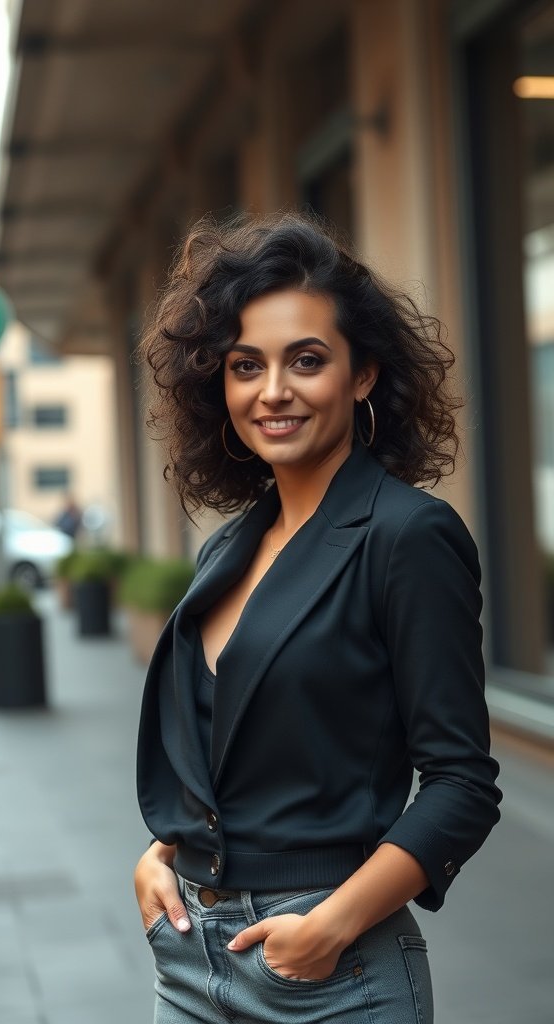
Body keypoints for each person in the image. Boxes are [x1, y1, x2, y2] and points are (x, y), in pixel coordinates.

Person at [134, 212, 501, 1024]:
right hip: (190, 959)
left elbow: (462, 783)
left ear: (362, 374)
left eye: (306, 360)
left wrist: (330, 926)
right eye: (245, 365)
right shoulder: (230, 546)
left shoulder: (409, 535)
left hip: (329, 972)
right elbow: (238, 747)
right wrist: (163, 852)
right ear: (217, 385)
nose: (273, 391)